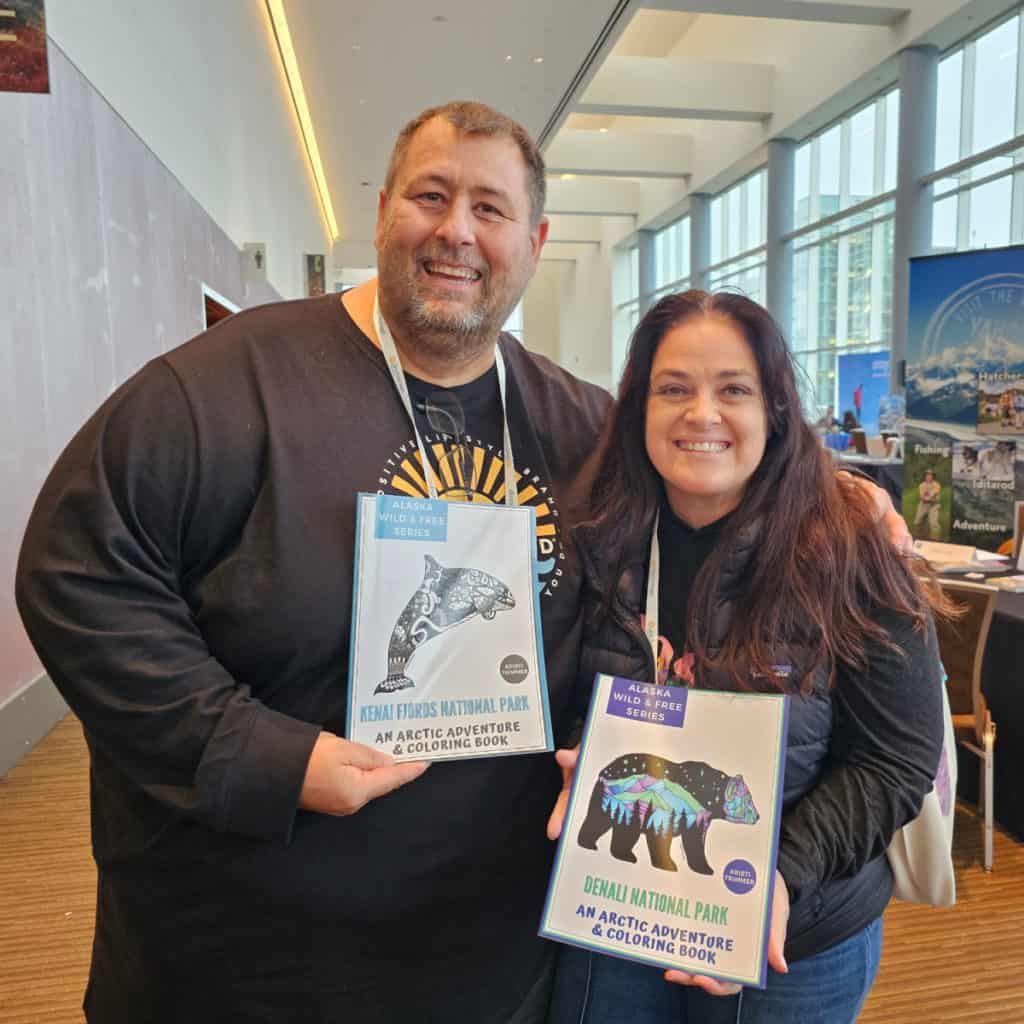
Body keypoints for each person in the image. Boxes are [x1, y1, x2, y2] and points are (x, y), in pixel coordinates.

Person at [15, 103, 909, 1023]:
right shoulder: (221, 387)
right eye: (430, 196)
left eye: (490, 208)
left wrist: (840, 501)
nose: (456, 231)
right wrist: (261, 755)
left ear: (534, 239)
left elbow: (713, 474)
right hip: (245, 956)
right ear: (381, 213)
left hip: (490, 959)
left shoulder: (579, 425)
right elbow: (77, 576)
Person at [545, 291, 947, 1024]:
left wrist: (780, 876)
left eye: (734, 389)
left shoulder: (852, 550)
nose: (702, 414)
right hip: (621, 911)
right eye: (674, 389)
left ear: (776, 412)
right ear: (638, 409)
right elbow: (566, 686)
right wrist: (585, 755)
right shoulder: (598, 539)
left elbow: (895, 759)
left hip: (795, 936)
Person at [914, 469, 942, 540]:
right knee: (918, 521)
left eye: (930, 475)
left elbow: (934, 493)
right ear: (925, 476)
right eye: (927, 475)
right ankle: (918, 536)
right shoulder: (921, 485)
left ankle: (935, 539)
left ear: (933, 476)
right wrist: (928, 497)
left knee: (934, 523)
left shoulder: (936, 484)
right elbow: (922, 496)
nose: (929, 477)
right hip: (923, 505)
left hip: (934, 505)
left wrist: (929, 496)